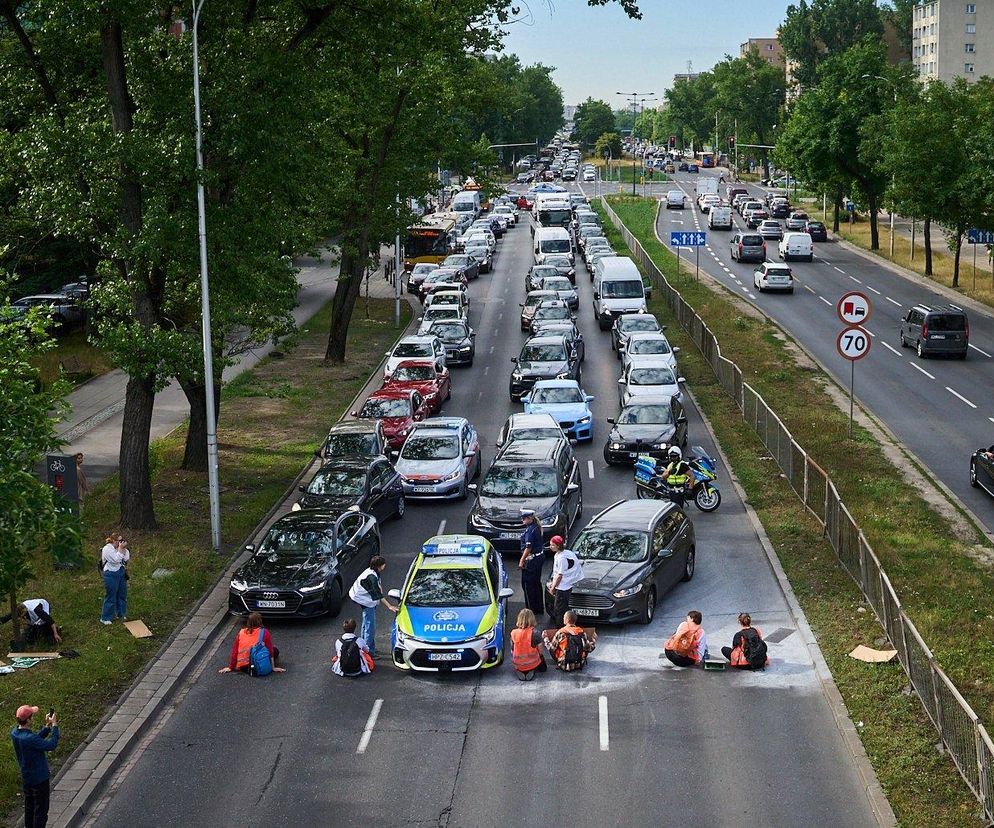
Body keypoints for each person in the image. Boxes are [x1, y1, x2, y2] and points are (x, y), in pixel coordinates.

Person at [11, 705, 59, 828]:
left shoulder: (15, 733)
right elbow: (51, 745)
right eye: (31, 716)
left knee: (29, 807)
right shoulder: (30, 739)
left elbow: (35, 741)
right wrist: (54, 726)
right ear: (28, 720)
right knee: (41, 811)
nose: (32, 718)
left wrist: (46, 727)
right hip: (39, 779)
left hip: (27, 778)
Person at [348, 556, 398, 657]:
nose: (385, 565)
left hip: (359, 597)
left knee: (366, 623)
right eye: (383, 564)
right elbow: (378, 595)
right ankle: (369, 652)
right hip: (364, 600)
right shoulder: (372, 577)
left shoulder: (371, 571)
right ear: (380, 566)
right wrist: (389, 606)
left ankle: (365, 647)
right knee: (370, 626)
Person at [219, 612, 286, 674]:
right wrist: (273, 668)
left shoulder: (241, 633)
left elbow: (235, 651)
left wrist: (231, 667)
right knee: (275, 650)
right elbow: (270, 651)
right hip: (257, 664)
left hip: (244, 667)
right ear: (260, 621)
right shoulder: (264, 632)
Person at [547, 535, 583, 628]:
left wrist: (553, 587)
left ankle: (560, 627)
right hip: (567, 584)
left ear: (558, 546)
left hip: (563, 587)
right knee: (563, 607)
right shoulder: (566, 554)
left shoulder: (561, 558)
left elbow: (559, 575)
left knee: (559, 610)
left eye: (552, 545)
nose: (550, 547)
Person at [517, 509, 545, 617]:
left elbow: (528, 547)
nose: (522, 520)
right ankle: (538, 607)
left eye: (524, 518)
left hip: (532, 560)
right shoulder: (535, 528)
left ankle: (531, 610)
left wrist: (521, 560)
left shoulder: (530, 530)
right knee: (536, 583)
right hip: (539, 558)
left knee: (528, 585)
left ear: (529, 518)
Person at [100, 535, 129, 625]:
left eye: (122, 541)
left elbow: (126, 558)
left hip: (120, 571)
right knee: (111, 595)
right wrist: (120, 549)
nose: (121, 542)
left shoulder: (120, 548)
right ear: (113, 540)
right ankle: (105, 617)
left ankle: (121, 613)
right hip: (110, 573)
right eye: (119, 541)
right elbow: (116, 559)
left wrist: (122, 549)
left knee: (122, 594)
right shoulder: (107, 549)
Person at [510, 608, 546, 681]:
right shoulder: (536, 633)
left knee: (518, 659)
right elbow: (541, 651)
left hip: (518, 662)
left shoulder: (513, 633)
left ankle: (520, 670)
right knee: (543, 666)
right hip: (532, 662)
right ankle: (531, 669)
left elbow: (512, 648)